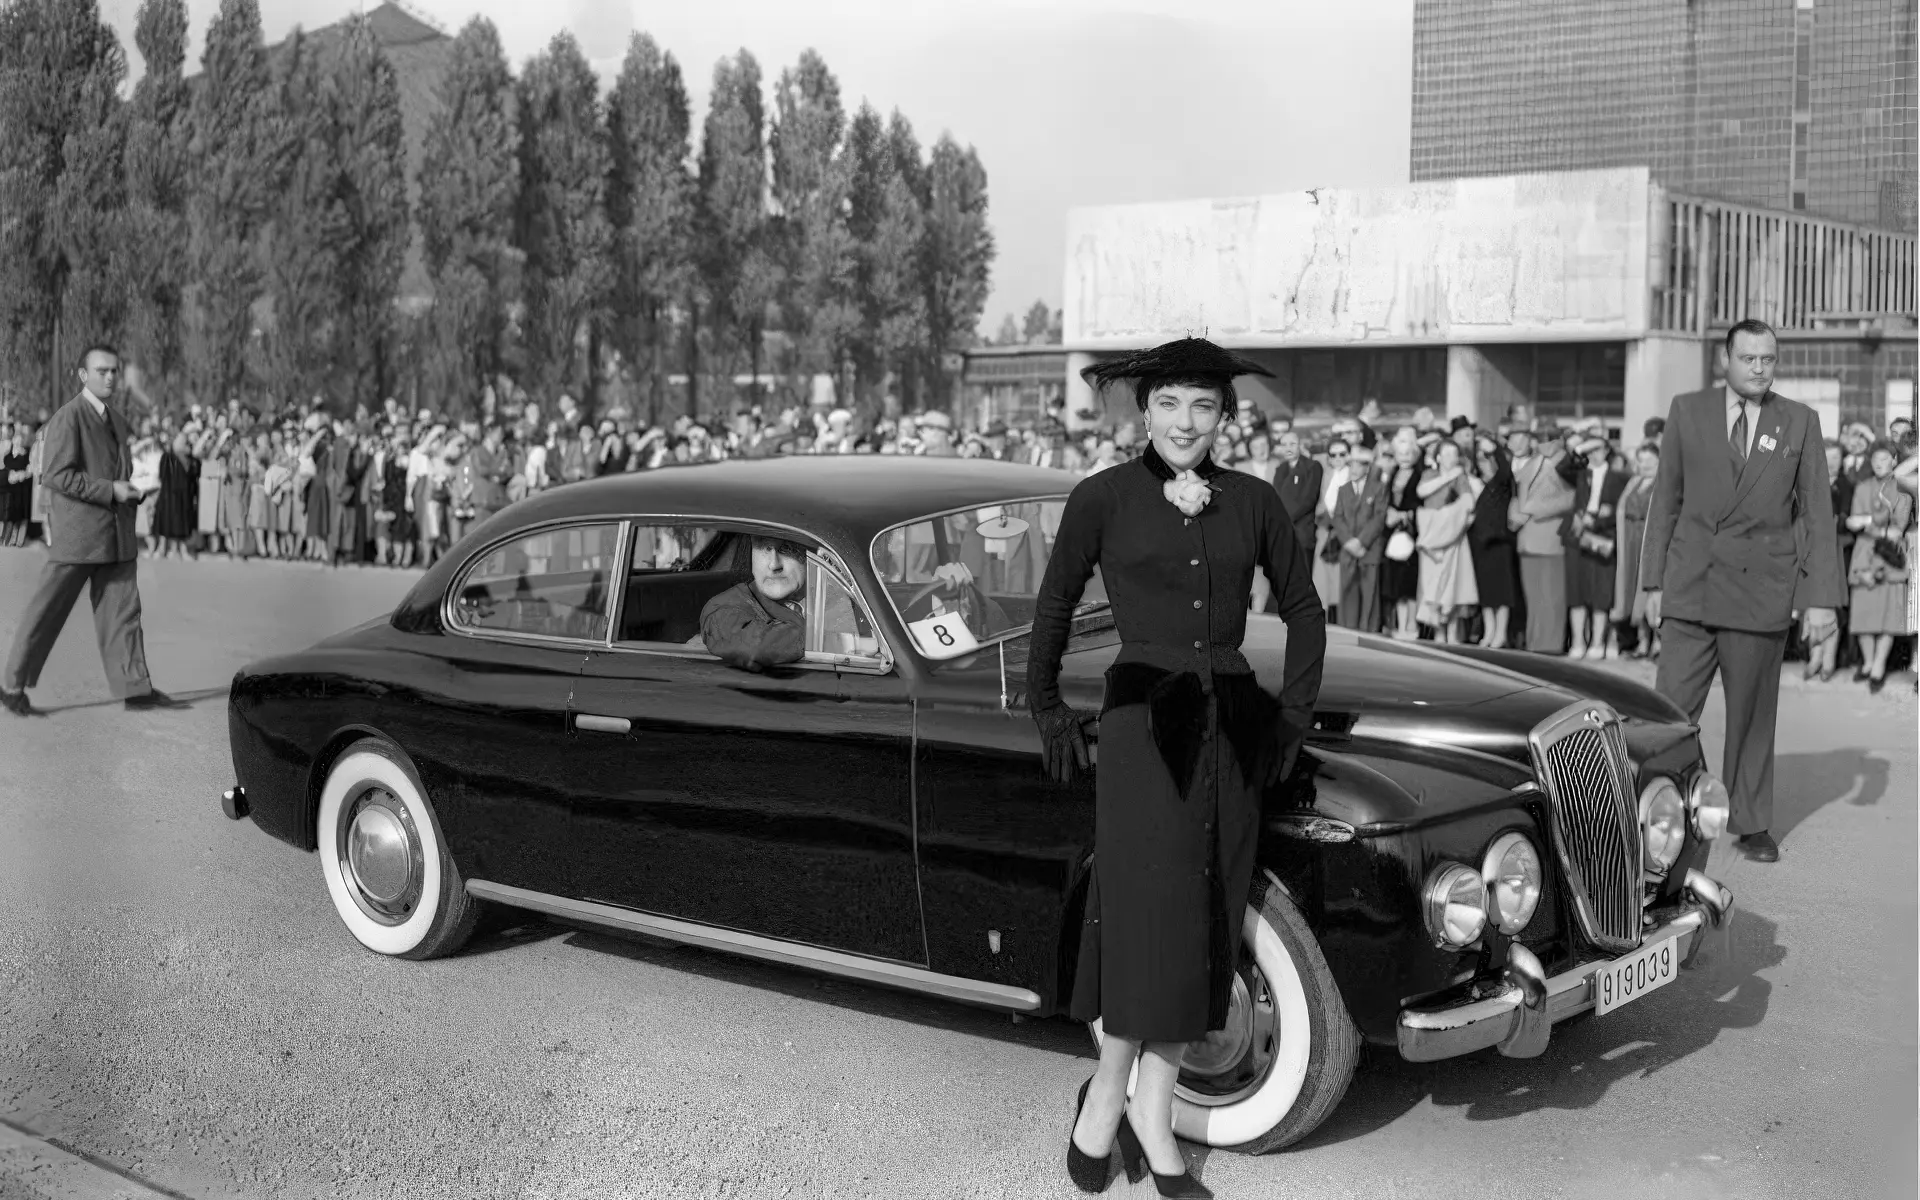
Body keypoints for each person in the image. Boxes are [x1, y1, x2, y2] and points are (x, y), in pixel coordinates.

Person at [1029, 338, 1325, 1199]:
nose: (1186, 422)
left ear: (1224, 415)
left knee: (1206, 926)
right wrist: (1045, 705)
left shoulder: (1254, 500)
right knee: (1147, 925)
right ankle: (1110, 1102)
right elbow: (1054, 602)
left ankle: (1147, 1112)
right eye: (1169, 404)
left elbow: (1304, 609)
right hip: (1142, 738)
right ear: (1145, 412)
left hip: (1231, 735)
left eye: (1203, 405)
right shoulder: (1103, 497)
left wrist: (1292, 718)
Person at [1641, 319, 1842, 864]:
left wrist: (1821, 599)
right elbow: (1666, 501)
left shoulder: (1798, 420)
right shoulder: (1687, 411)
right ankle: (1657, 811)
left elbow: (1817, 515)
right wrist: (1652, 582)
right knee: (1669, 714)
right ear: (1725, 360)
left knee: (1752, 715)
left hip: (1760, 590)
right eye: (1748, 358)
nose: (1759, 368)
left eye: (1768, 359)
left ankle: (1751, 821)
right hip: (1692, 586)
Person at [2, 346, 188, 716]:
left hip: (116, 535)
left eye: (115, 371)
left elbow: (119, 470)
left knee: (125, 614)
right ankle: (11, 685)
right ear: (83, 375)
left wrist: (133, 489)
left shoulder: (116, 419)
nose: (110, 377)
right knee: (47, 611)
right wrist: (110, 490)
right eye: (102, 370)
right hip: (79, 537)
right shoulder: (68, 417)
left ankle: (135, 689)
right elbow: (56, 475)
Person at [699, 534, 851, 671]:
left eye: (788, 547)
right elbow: (754, 647)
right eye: (763, 546)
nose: (774, 564)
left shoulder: (842, 600)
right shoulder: (723, 608)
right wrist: (831, 638)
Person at [1845, 442, 1912, 692]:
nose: (1879, 464)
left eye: (1884, 459)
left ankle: (1878, 667)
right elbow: (1854, 522)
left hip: (1890, 557)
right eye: (1875, 460)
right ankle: (1868, 663)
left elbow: (1897, 529)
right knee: (1863, 615)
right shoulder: (1862, 487)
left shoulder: (1903, 487)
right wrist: (1874, 524)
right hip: (1864, 556)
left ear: (1894, 461)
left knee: (1888, 617)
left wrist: (1868, 522)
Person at [1560, 433, 1629, 659]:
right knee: (1577, 591)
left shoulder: (1619, 477)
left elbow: (1621, 509)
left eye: (1598, 449)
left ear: (1607, 451)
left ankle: (1597, 641)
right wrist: (1580, 448)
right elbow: (1562, 467)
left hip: (1603, 538)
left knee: (1601, 592)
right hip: (1577, 536)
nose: (1594, 454)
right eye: (1590, 450)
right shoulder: (1579, 474)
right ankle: (1578, 641)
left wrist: (1600, 518)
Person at [1507, 425, 1573, 653]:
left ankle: (1550, 644)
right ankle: (1535, 642)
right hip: (1527, 537)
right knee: (1533, 596)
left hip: (1550, 537)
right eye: (1541, 439)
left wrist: (1534, 509)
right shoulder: (1532, 462)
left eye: (1549, 439)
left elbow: (1572, 498)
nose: (1544, 444)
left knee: (1552, 595)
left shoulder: (1566, 463)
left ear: (1559, 441)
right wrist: (1515, 514)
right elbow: (1517, 493)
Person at [1414, 438, 1479, 643]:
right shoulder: (1430, 475)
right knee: (1432, 586)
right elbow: (1421, 491)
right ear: (1438, 457)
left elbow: (1469, 503)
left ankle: (1452, 632)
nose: (1451, 458)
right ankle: (1438, 632)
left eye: (1454, 454)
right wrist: (1449, 475)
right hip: (1431, 537)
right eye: (1447, 454)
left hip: (1453, 537)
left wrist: (1450, 517)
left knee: (1452, 585)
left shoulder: (1461, 479)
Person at [1331, 442, 1390, 633]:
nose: (1354, 469)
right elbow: (1337, 518)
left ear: (1367, 467)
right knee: (1348, 590)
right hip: (1348, 549)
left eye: (1358, 465)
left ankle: (1369, 630)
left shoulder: (1379, 488)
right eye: (1351, 465)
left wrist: (1361, 541)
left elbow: (1379, 517)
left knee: (1370, 590)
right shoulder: (1343, 489)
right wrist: (1349, 541)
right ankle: (1347, 630)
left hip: (1369, 549)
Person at [1466, 433, 1518, 649]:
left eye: (1488, 459)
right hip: (1481, 545)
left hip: (1499, 543)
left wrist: (1494, 448)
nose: (1484, 463)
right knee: (1485, 592)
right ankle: (1489, 631)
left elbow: (1505, 467)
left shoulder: (1502, 483)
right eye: (1480, 460)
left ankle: (1501, 632)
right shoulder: (1480, 487)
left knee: (1502, 592)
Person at [1616, 443, 1661, 659]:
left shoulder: (1663, 483)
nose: (1644, 464)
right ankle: (1642, 640)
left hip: (1650, 541)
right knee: (1632, 590)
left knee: (1649, 589)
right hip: (1631, 541)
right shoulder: (1633, 483)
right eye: (1641, 459)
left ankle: (1657, 642)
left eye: (1649, 459)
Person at [1379, 427, 1425, 638]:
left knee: (1410, 582)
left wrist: (1404, 515)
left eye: (1408, 453)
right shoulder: (1392, 474)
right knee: (1395, 582)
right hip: (1393, 534)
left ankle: (1412, 625)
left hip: (1412, 532)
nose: (1404, 457)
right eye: (1400, 453)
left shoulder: (1421, 475)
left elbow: (1421, 504)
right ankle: (1401, 624)